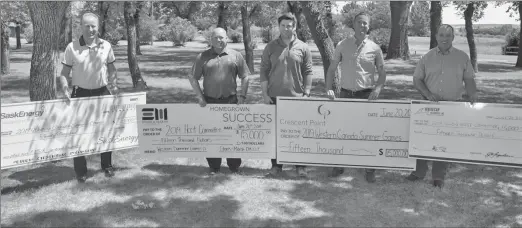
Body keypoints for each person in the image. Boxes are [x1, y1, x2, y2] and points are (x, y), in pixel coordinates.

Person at [405, 24, 478, 189]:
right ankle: (418, 173)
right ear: (436, 36)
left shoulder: (462, 57)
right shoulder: (427, 57)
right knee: (423, 140)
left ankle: (438, 177)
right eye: (441, 35)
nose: (444, 38)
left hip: (452, 107)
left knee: (444, 141)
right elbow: (417, 80)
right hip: (428, 105)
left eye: (448, 35)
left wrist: (472, 93)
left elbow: (469, 79)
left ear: (453, 38)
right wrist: (427, 93)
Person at [58, 12, 121, 183]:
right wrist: (64, 88)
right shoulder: (72, 47)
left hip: (102, 93)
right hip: (80, 94)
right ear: (81, 26)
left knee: (106, 130)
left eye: (94, 26)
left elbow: (111, 68)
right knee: (79, 132)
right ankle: (81, 171)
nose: (91, 29)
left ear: (98, 27)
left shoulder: (106, 45)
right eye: (87, 26)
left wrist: (113, 84)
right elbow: (63, 74)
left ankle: (107, 166)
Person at [324, 12, 387, 182]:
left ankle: (370, 168)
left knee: (368, 133)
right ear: (354, 25)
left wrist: (378, 88)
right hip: (346, 95)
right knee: (343, 131)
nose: (362, 26)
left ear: (369, 26)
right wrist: (328, 88)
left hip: (367, 96)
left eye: (365, 23)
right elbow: (331, 69)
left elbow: (382, 72)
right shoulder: (342, 45)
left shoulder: (375, 48)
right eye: (359, 22)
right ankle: (339, 165)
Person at [188, 27, 250, 175]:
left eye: (222, 37)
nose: (219, 40)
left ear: (227, 38)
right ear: (211, 39)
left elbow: (245, 76)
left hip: (231, 102)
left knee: (233, 135)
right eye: (215, 37)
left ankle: (234, 166)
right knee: (211, 136)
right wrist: (200, 97)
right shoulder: (202, 57)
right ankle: (214, 166)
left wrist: (242, 96)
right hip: (210, 102)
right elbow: (192, 77)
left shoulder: (236, 56)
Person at [260, 13, 314, 177]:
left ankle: (301, 167)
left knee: (299, 133)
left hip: (297, 98)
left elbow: (308, 71)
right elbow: (263, 71)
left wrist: (307, 92)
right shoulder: (270, 46)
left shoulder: (303, 47)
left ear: (294, 27)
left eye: (289, 25)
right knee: (276, 134)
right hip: (274, 97)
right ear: (279, 26)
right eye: (283, 25)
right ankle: (276, 166)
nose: (286, 28)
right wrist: (264, 94)